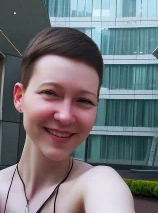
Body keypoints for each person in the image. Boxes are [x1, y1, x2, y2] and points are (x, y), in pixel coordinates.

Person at [0, 27, 135, 213]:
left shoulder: (100, 181)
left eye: (84, 101)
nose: (65, 116)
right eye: (50, 93)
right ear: (19, 98)